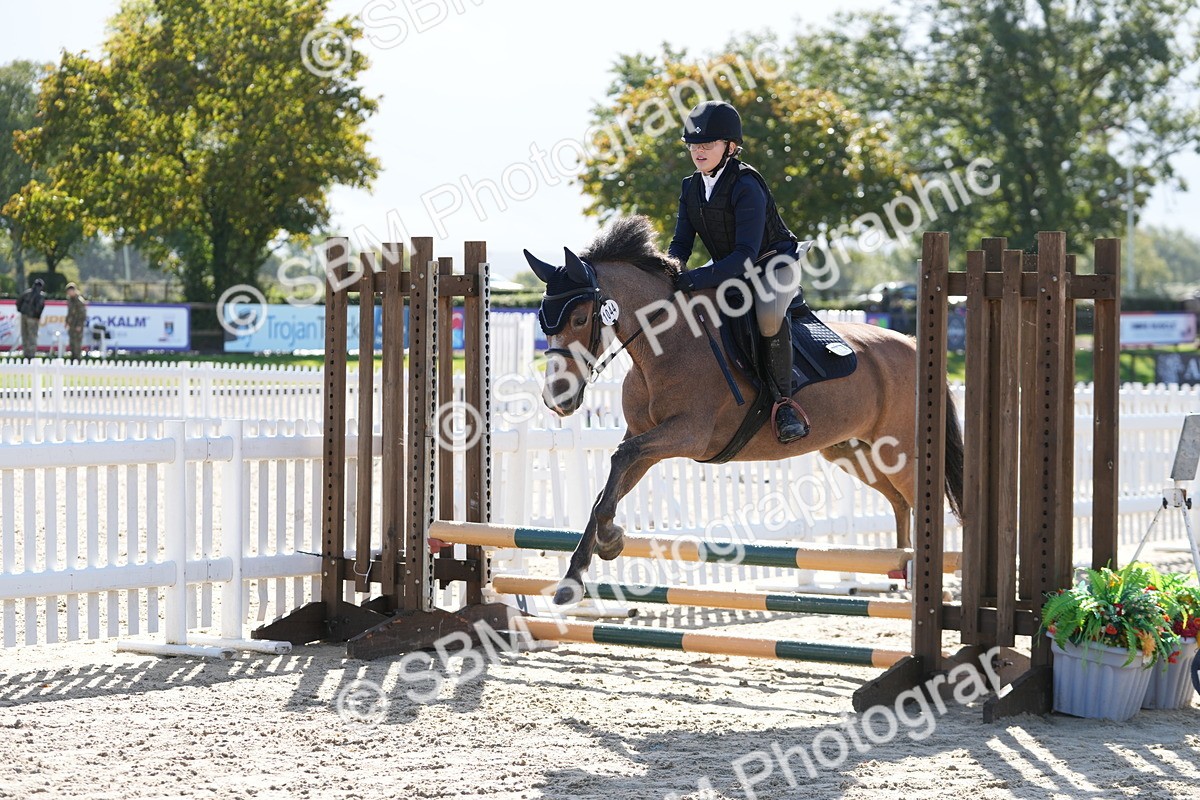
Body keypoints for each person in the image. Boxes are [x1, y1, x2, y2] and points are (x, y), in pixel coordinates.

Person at [667, 100, 808, 443]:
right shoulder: (690, 187)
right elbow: (681, 246)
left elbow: (745, 256)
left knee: (769, 314)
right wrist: (667, 273)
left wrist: (696, 278)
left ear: (729, 147)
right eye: (693, 146)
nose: (698, 152)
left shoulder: (747, 184)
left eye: (707, 145)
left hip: (773, 263)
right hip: (734, 266)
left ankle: (784, 403)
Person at [15, 277, 46, 359]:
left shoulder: (27, 293)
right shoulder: (41, 295)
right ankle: (31, 354)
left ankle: (26, 353)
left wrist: (21, 311)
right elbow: (40, 307)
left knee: (25, 334)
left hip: (24, 315)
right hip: (33, 318)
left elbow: (18, 302)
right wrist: (37, 316)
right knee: (32, 336)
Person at [65, 282, 88, 359]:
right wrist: (67, 321)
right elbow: (69, 312)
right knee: (72, 342)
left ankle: (77, 359)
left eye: (70, 291)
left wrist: (79, 325)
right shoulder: (70, 300)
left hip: (77, 325)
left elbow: (82, 314)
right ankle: (73, 358)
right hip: (71, 324)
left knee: (77, 343)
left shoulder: (79, 301)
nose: (69, 293)